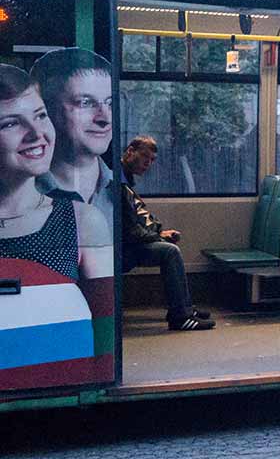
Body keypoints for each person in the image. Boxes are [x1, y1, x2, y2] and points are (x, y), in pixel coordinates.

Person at [0, 65, 111, 286]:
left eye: (41, 116)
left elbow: (103, 318)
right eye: (11, 123)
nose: (36, 133)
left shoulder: (83, 221)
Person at [120, 136, 213, 330]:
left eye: (152, 160)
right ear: (130, 152)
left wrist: (160, 231)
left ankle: (184, 307)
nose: (148, 163)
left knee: (168, 246)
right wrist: (159, 236)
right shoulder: (118, 185)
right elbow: (131, 232)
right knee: (169, 252)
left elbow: (138, 218)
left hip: (126, 244)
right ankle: (181, 316)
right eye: (145, 156)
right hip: (121, 250)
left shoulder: (124, 181)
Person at [31, 49, 115, 225]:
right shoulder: (16, 194)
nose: (105, 119)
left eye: (110, 103)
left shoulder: (123, 193)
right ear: (44, 110)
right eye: (85, 103)